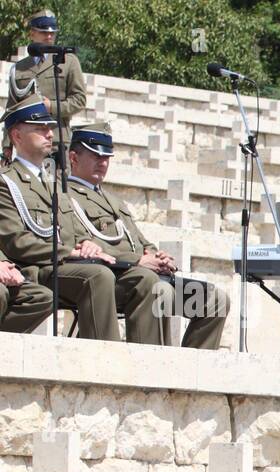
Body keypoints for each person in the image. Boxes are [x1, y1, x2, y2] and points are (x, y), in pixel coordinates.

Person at [66, 123, 227, 349]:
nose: (102, 163)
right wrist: (138, 261)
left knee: (213, 300)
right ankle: (151, 373)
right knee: (155, 288)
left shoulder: (114, 201)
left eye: (106, 158)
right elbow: (82, 242)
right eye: (95, 156)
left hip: (142, 274)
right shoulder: (64, 196)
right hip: (114, 281)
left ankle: (183, 377)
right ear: (74, 157)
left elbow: (139, 240)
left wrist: (156, 255)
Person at [0, 95, 119, 339]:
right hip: (36, 266)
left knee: (111, 270)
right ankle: (102, 363)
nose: (50, 134)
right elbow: (16, 241)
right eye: (40, 129)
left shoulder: (54, 183)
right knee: (98, 276)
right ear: (17, 136)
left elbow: (72, 230)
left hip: (63, 263)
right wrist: (69, 253)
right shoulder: (7, 182)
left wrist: (86, 243)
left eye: (50, 128)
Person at [5, 10, 86, 147]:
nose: (49, 36)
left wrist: (51, 107)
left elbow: (79, 100)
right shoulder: (19, 67)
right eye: (43, 32)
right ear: (32, 33)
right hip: (26, 141)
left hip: (56, 140)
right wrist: (7, 145)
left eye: (52, 32)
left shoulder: (68, 61)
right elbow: (11, 110)